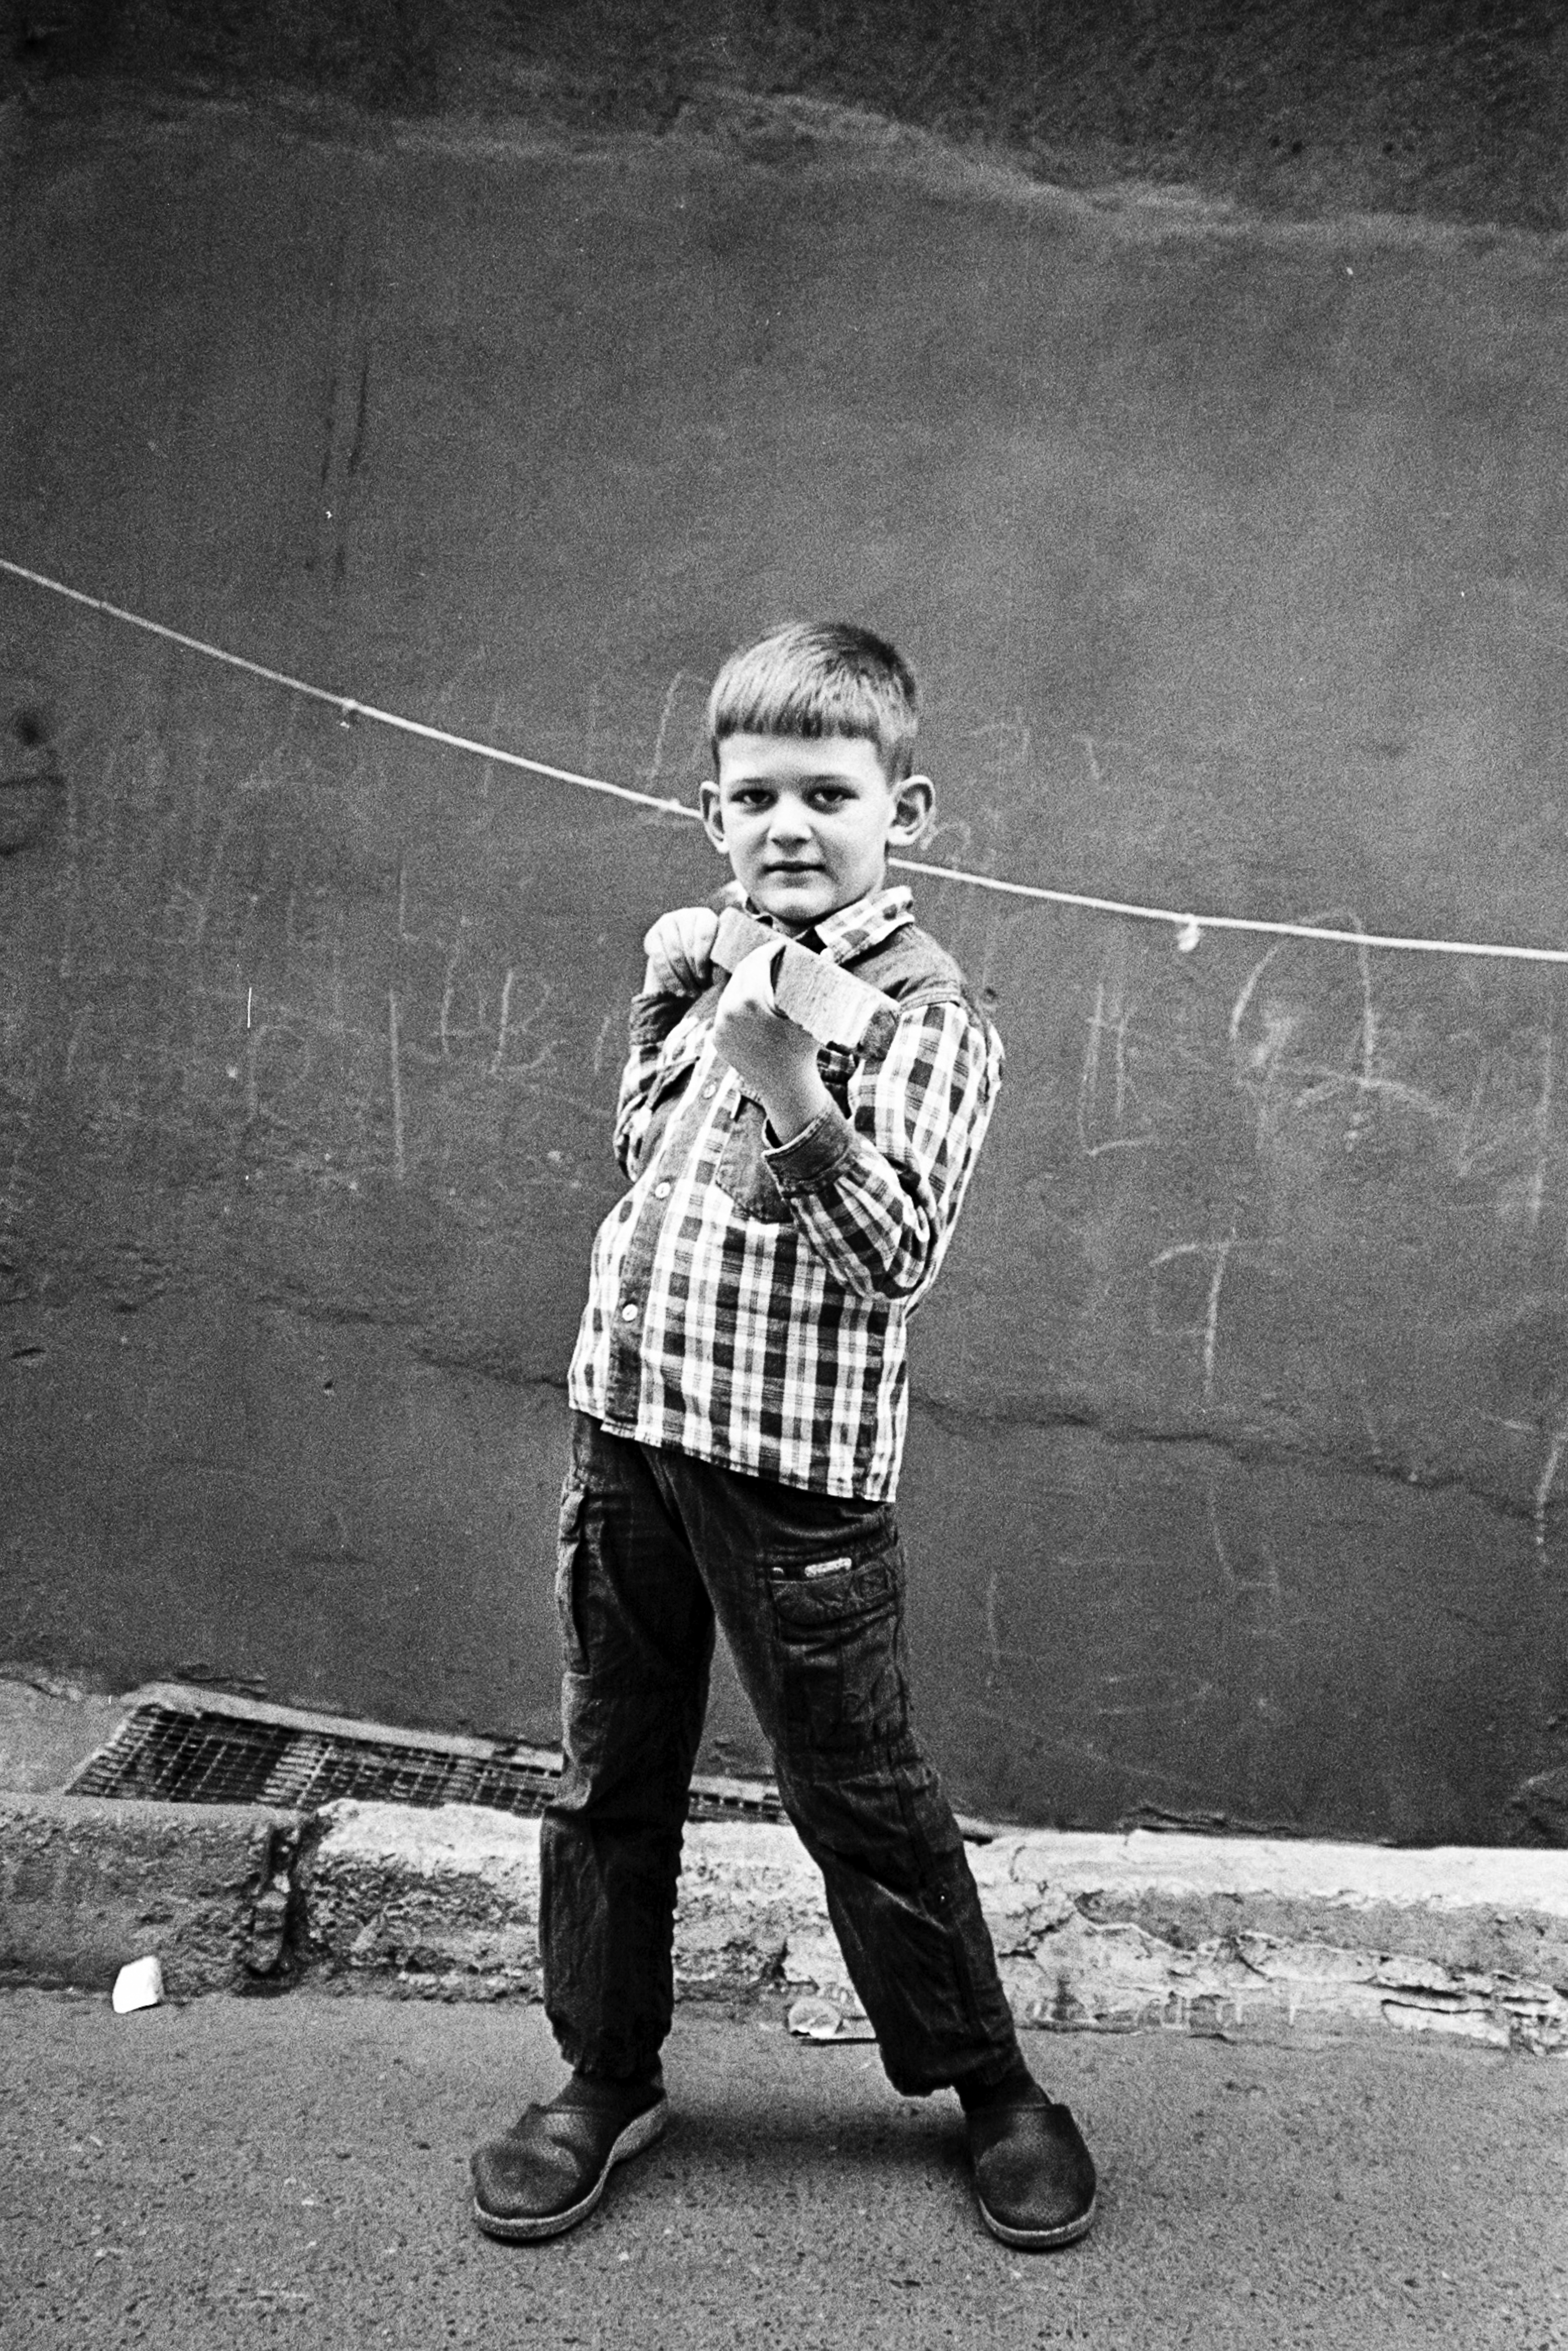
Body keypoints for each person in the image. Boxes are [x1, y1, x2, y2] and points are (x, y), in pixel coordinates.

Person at [470, 622, 1096, 2251]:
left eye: (830, 790)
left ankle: (1001, 2091)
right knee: (610, 1774)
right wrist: (673, 1004)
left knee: (863, 1799)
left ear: (911, 809)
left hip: (796, 1490)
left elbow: (895, 1258)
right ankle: (607, 2073)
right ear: (712, 811)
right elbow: (637, 1152)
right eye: (759, 796)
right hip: (629, 1441)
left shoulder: (926, 1017)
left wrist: (791, 1087)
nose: (792, 824)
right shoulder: (723, 954)